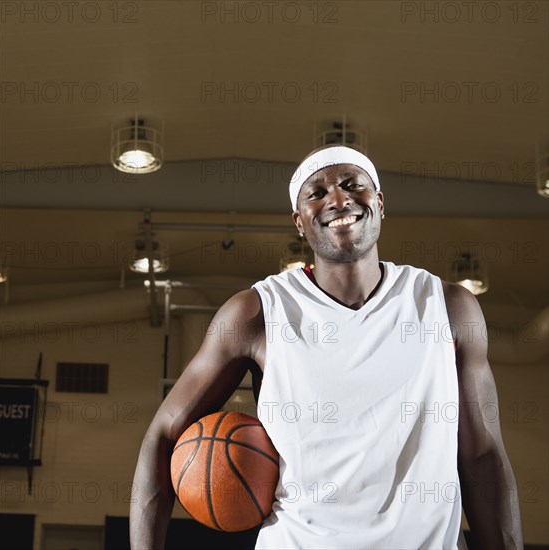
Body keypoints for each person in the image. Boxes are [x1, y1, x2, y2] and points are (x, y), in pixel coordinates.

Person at [130, 145, 523, 549]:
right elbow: (161, 437)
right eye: (316, 193)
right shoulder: (258, 313)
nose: (338, 199)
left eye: (353, 185)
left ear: (381, 203)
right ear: (299, 221)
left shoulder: (449, 307)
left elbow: (483, 458)